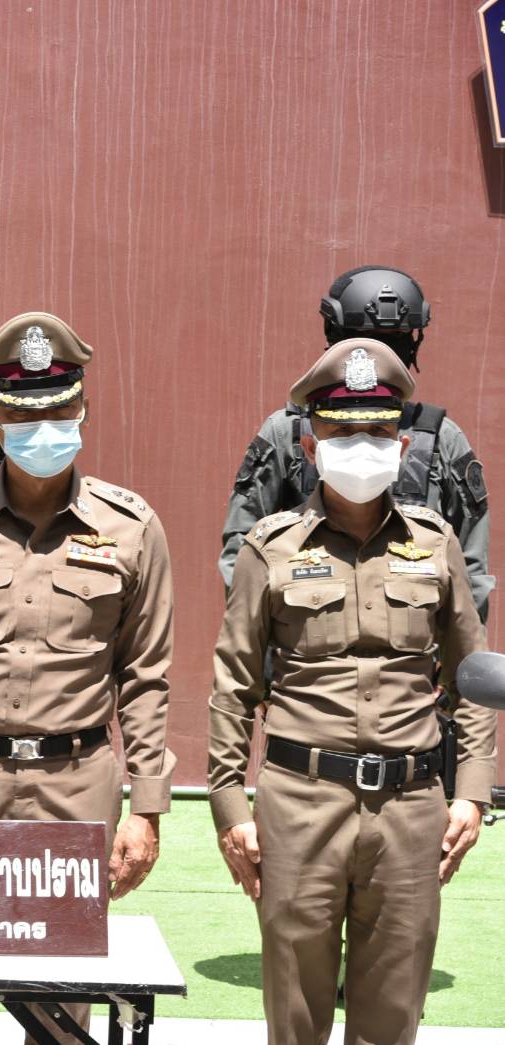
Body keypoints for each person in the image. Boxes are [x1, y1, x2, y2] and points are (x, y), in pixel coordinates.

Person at [0, 312, 174, 1044]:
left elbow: (145, 676)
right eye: (22, 414)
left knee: (60, 994)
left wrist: (145, 807)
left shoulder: (131, 527)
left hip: (74, 780)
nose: (41, 427)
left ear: (83, 409)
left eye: (57, 410)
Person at [208, 338, 496, 1045]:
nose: (360, 445)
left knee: (392, 1020)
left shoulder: (436, 543)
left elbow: (471, 675)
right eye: (342, 432)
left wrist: (471, 791)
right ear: (310, 448)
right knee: (295, 1019)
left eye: (376, 430)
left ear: (401, 446)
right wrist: (228, 805)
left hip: (410, 809)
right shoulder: (270, 547)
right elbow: (233, 684)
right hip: (300, 806)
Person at [220, 265, 491, 620]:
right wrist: (262, 630)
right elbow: (242, 547)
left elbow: (470, 566)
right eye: (363, 337)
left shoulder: (442, 438)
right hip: (305, 630)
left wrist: (461, 647)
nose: (375, 351)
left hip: (414, 638)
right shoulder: (288, 432)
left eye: (393, 338)